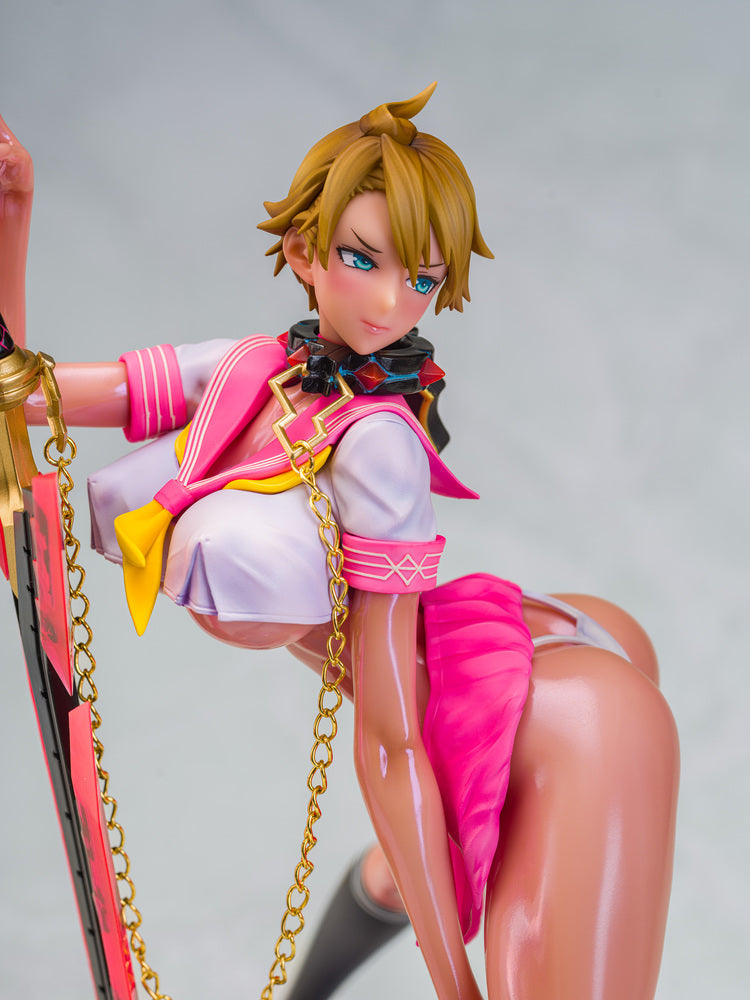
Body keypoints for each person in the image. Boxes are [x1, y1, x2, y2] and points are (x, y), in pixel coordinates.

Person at [1, 87, 678, 1000]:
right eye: (364, 259)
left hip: (553, 719)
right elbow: (21, 395)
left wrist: (454, 985)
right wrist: (15, 213)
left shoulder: (381, 449)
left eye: (423, 280)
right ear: (303, 252)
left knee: (451, 870)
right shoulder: (247, 371)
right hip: (508, 647)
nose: (394, 301)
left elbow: (392, 745)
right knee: (411, 865)